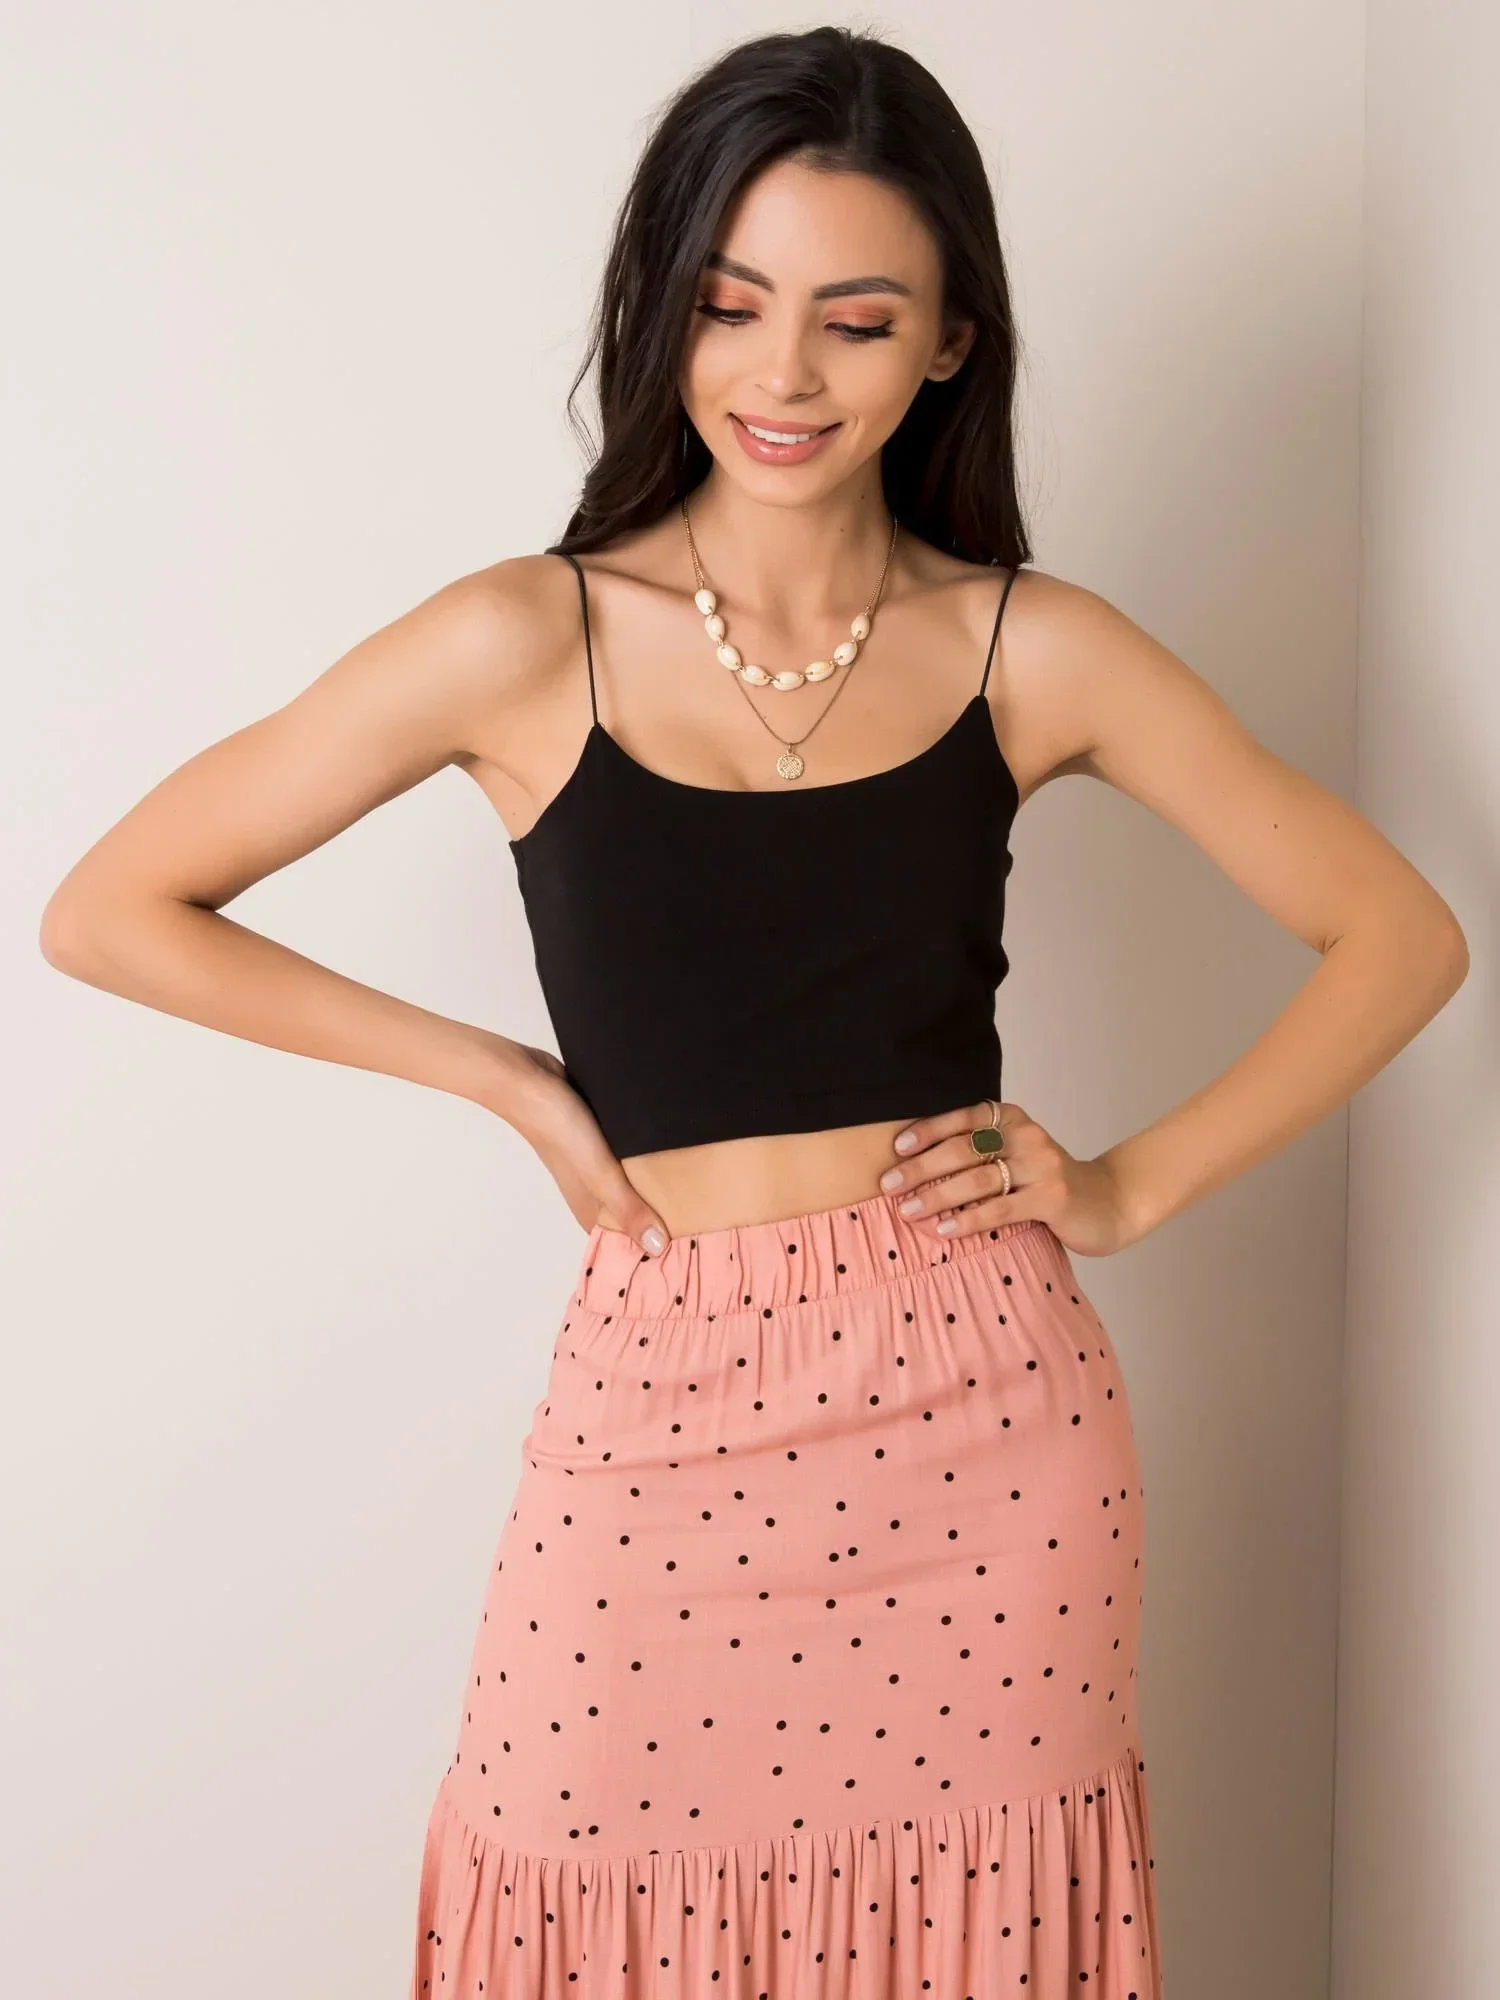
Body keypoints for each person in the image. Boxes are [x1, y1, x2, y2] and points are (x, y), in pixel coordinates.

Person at [38, 25, 1467, 2000]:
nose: (785, 374)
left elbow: (1399, 933)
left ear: (948, 342)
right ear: (667, 308)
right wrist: (509, 1084)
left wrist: (1129, 1187)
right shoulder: (521, 635)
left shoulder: (1028, 647)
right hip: (659, 1396)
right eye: (732, 305)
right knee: (569, 1895)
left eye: (856, 320)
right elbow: (112, 911)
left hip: (987, 1426)